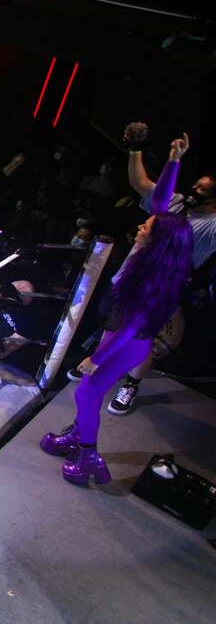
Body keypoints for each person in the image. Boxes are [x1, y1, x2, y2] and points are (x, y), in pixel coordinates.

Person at [40, 134, 194, 486]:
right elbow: (159, 202)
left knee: (87, 391)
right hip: (120, 334)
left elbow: (132, 324)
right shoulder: (153, 251)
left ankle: (90, 455)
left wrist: (97, 357)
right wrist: (174, 161)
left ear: (157, 239)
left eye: (146, 227)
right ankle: (77, 438)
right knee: (89, 391)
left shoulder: (153, 274)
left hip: (127, 341)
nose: (141, 226)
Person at [89, 125, 215, 414]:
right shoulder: (176, 203)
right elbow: (143, 185)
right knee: (111, 323)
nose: (195, 191)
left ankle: (130, 386)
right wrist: (136, 151)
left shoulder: (212, 226)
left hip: (158, 289)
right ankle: (97, 366)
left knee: (140, 338)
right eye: (196, 185)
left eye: (204, 191)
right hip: (129, 276)